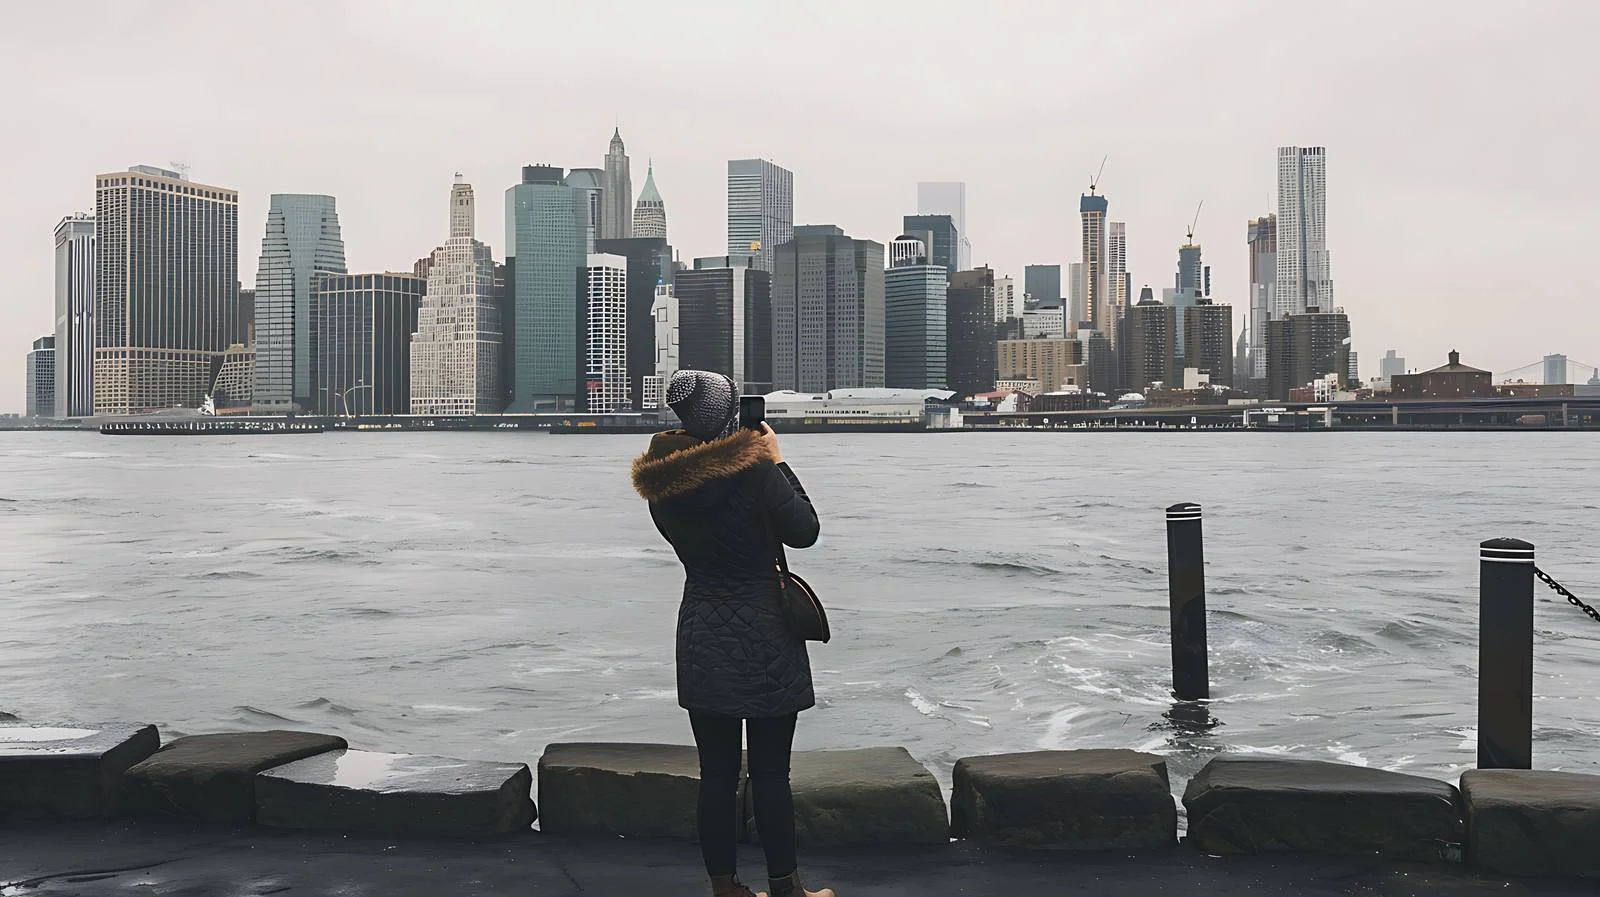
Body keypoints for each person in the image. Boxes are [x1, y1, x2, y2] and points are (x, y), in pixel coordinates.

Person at [631, 370, 833, 897]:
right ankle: (787, 889)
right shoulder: (756, 471)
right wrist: (777, 461)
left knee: (716, 776)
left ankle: (726, 889)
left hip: (702, 628)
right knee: (770, 775)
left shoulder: (662, 485)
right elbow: (805, 531)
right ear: (727, 415)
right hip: (766, 629)